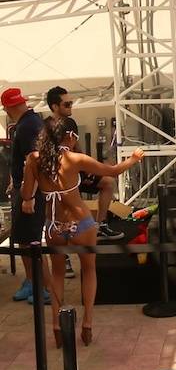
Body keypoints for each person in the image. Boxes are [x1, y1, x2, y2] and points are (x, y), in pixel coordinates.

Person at [21, 118, 143, 346]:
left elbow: (26, 194)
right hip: (81, 223)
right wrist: (134, 158)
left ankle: (57, 326)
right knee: (88, 270)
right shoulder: (74, 159)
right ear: (70, 136)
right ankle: (87, 323)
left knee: (57, 273)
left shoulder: (34, 159)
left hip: (54, 226)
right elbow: (112, 171)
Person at [45, 86, 121, 239]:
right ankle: (63, 233)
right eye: (67, 104)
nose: (70, 107)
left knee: (108, 183)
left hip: (73, 171)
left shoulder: (70, 123)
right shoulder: (46, 126)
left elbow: (78, 149)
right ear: (55, 106)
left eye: (71, 103)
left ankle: (101, 225)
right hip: (58, 177)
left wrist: (87, 170)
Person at [3, 87, 50, 304]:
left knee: (32, 241)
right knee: (23, 239)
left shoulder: (28, 126)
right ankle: (32, 281)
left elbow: (35, 161)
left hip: (30, 193)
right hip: (25, 190)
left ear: (8, 108)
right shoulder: (28, 123)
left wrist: (28, 195)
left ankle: (43, 287)